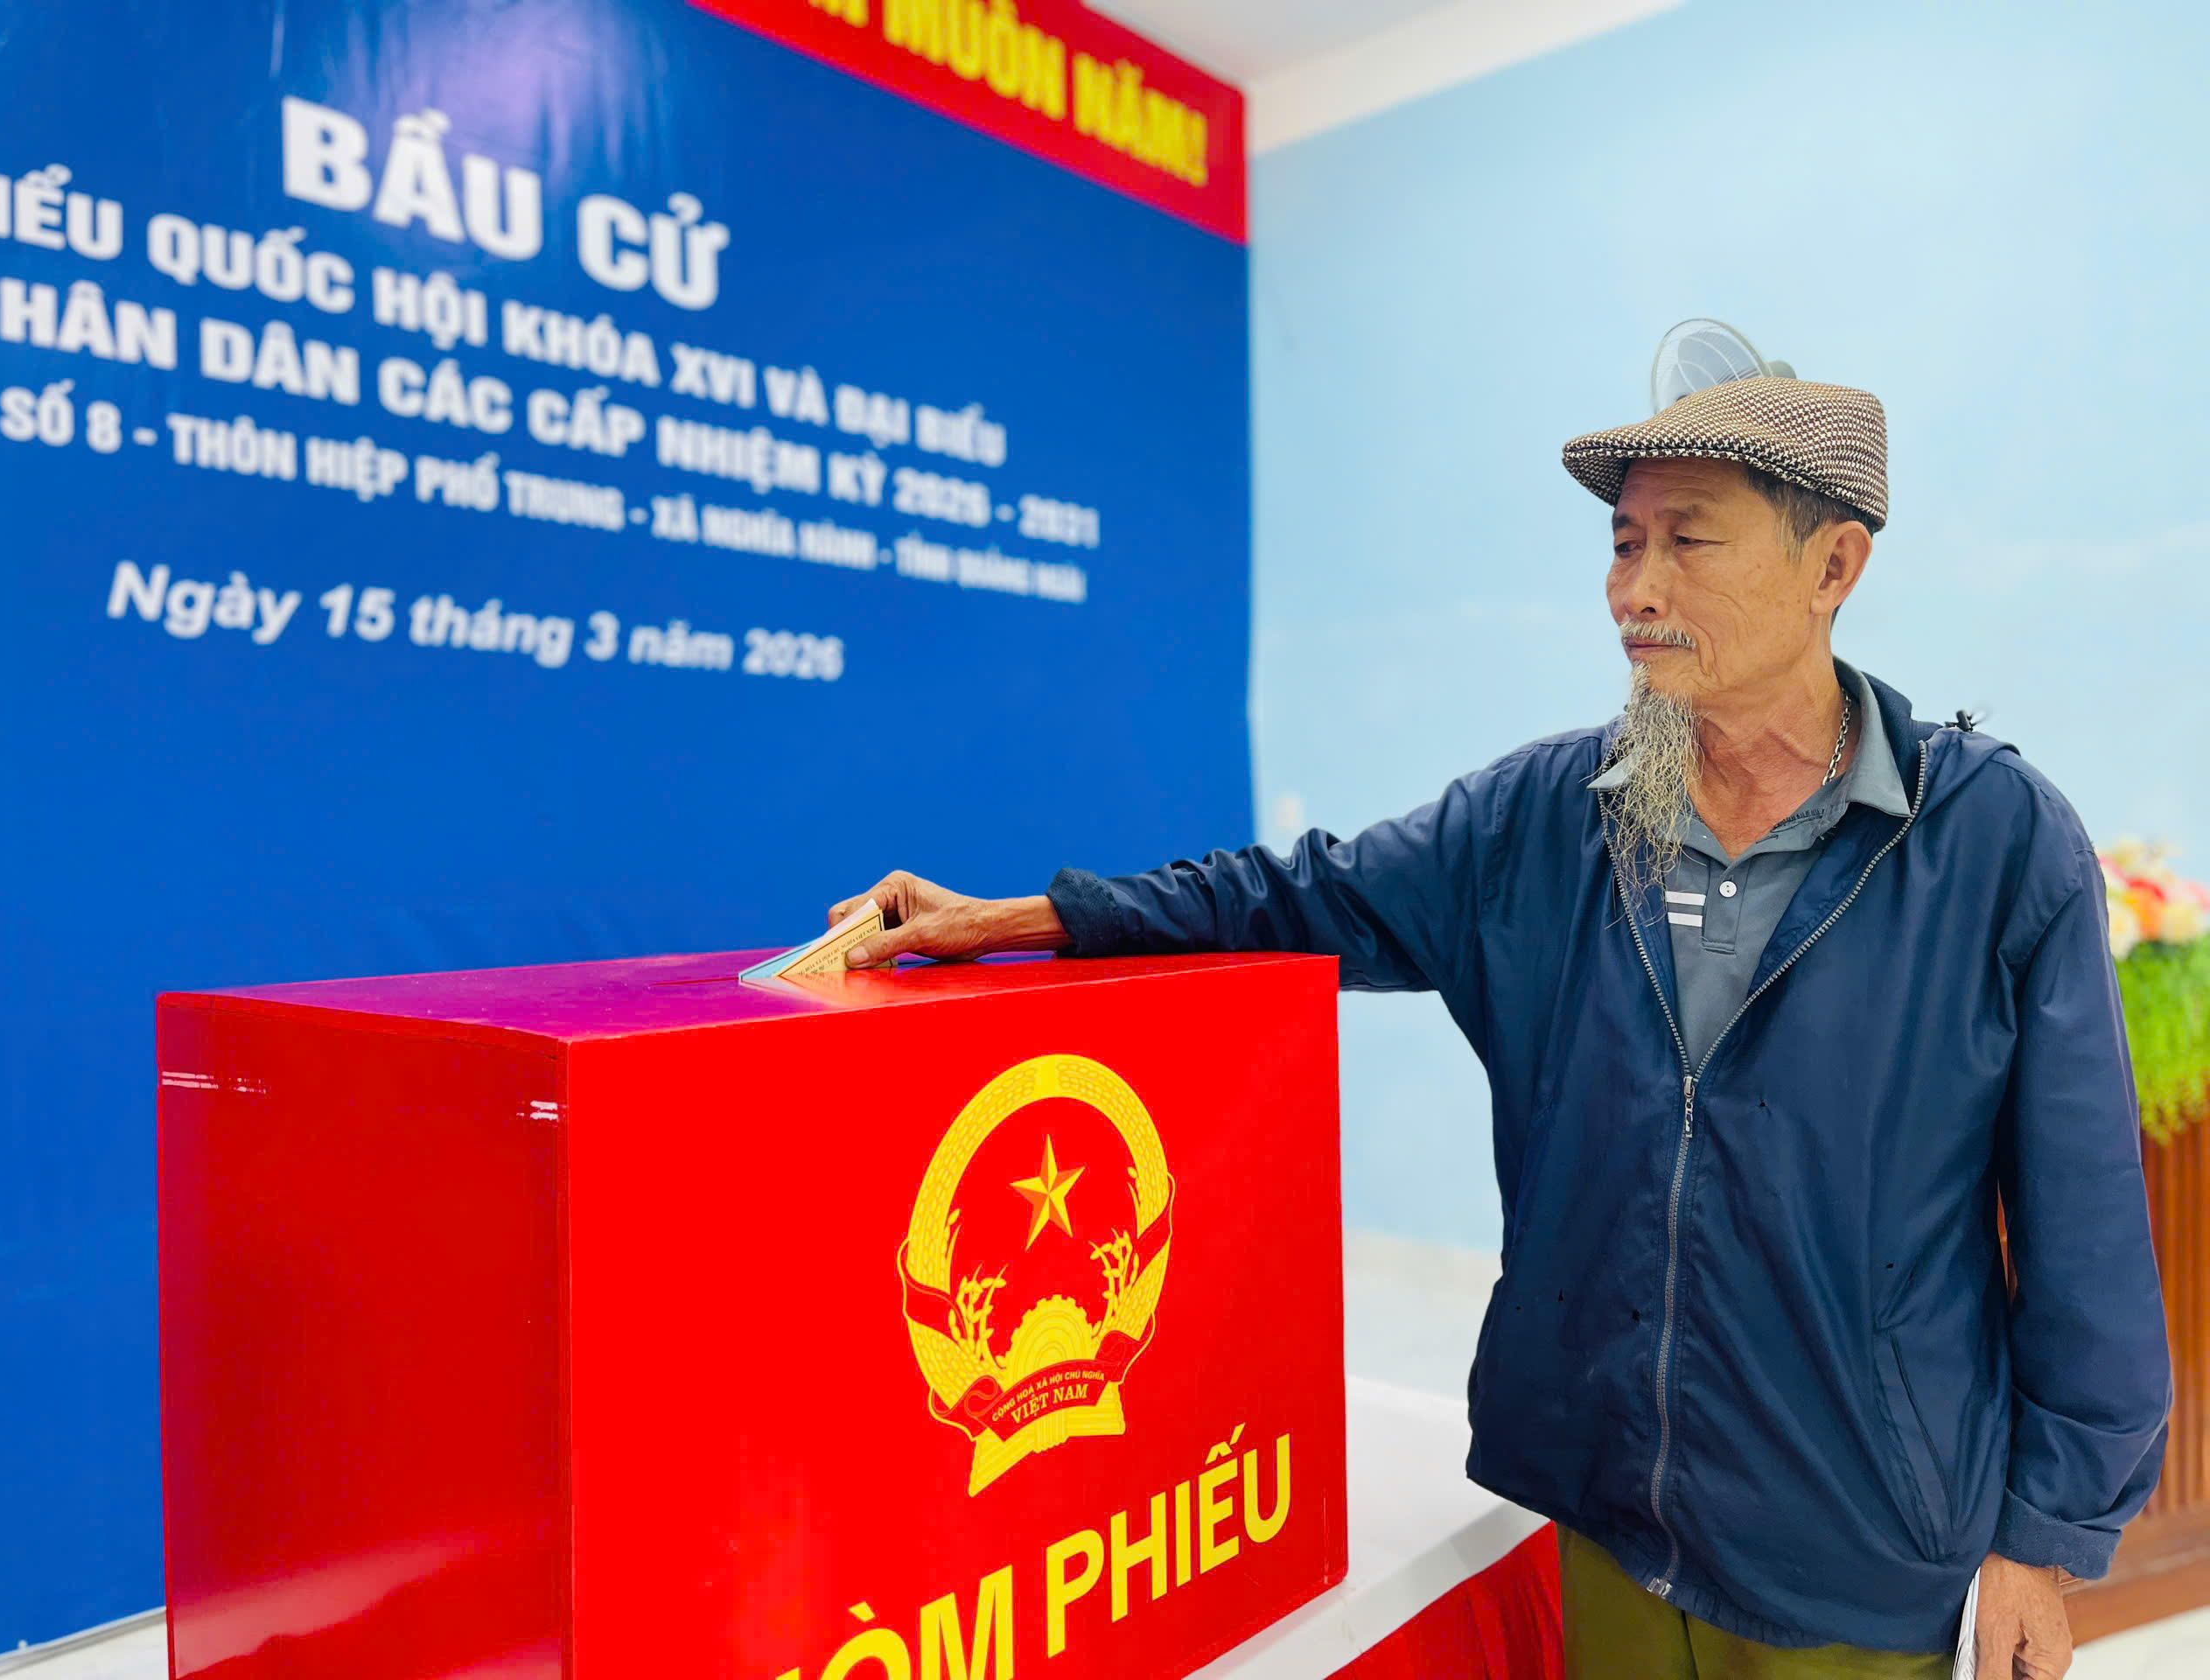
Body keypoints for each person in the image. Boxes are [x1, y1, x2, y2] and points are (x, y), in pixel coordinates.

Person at [827, 374, 2171, 1679]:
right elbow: (1300, 893)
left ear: (1834, 566)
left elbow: (2087, 1232)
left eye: (1689, 541)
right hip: (1613, 1521)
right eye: (1624, 544)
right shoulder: (1548, 818)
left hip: (1860, 1565)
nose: (1635, 590)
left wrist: (2044, 1544)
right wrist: (1026, 918)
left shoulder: (1991, 843)